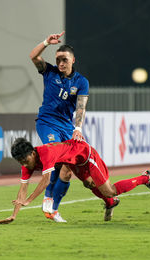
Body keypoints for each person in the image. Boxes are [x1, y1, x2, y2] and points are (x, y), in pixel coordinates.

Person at [0, 138, 150, 224]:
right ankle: (110, 203)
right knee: (89, 184)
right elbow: (22, 189)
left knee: (109, 190)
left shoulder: (46, 153)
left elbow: (46, 180)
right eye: (20, 162)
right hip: (73, 162)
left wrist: (29, 201)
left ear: (32, 153)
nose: (24, 165)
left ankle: (145, 178)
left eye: (25, 160)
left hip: (87, 156)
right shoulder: (26, 164)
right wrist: (14, 215)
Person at [29, 31, 90, 222]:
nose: (60, 63)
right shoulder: (49, 72)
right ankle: (48, 196)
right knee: (55, 154)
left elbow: (80, 108)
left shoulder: (81, 82)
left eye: (64, 59)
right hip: (47, 122)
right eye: (58, 60)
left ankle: (53, 210)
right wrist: (47, 42)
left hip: (66, 126)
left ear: (73, 60)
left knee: (68, 169)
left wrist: (77, 128)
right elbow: (33, 56)